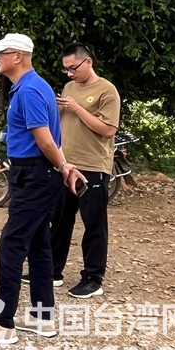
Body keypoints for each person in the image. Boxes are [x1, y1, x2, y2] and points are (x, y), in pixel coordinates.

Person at [0, 33, 85, 346]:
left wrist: (63, 166)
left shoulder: (29, 90)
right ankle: (42, 316)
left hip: (35, 176)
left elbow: (45, 140)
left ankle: (2, 323)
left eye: (1, 54)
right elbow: (47, 138)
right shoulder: (35, 86)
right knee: (39, 245)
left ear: (17, 56)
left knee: (12, 245)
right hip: (35, 174)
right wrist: (62, 167)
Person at [48, 44, 120, 298]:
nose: (69, 74)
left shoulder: (107, 90)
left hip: (93, 166)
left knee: (93, 224)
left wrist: (77, 108)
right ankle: (52, 271)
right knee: (59, 221)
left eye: (73, 68)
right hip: (66, 165)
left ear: (88, 62)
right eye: (66, 69)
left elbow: (108, 130)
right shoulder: (69, 88)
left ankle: (93, 279)